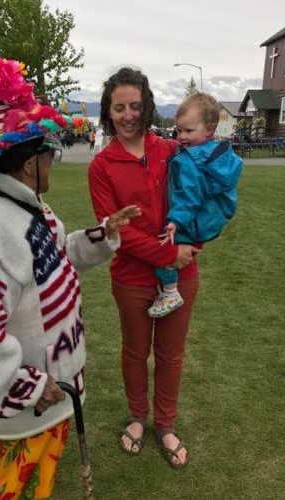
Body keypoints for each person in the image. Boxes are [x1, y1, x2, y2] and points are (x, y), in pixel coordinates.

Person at [0, 47, 141, 499]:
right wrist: (28, 385)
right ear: (30, 162)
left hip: (46, 401)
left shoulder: (27, 210)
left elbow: (54, 261)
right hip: (20, 414)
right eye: (50, 151)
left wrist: (101, 234)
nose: (54, 159)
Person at [88, 67, 201, 468]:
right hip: (133, 278)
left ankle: (164, 424)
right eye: (119, 107)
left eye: (136, 105)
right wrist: (167, 255)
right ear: (109, 111)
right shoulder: (101, 165)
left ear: (147, 105)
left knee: (170, 355)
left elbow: (199, 200)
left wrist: (190, 245)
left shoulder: (170, 150)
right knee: (136, 352)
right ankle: (138, 417)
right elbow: (115, 231)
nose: (128, 114)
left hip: (183, 273)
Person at [148, 93, 243, 318]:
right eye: (179, 130)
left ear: (209, 129)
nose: (181, 136)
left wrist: (175, 222)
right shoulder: (219, 153)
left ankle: (170, 293)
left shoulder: (189, 160)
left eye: (188, 131)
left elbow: (188, 195)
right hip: (213, 215)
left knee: (164, 251)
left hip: (192, 217)